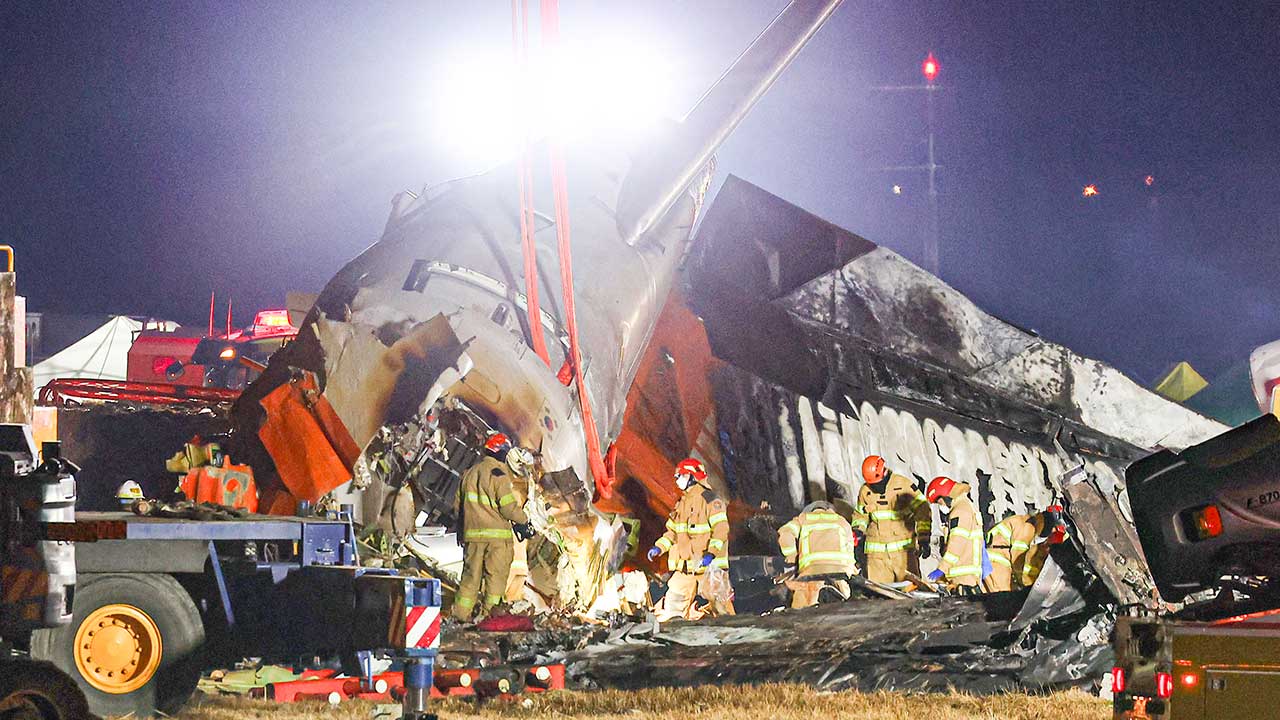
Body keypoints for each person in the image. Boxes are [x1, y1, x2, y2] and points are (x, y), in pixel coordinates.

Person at [451, 432, 535, 621]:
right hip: (496, 541)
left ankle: (459, 617)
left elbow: (458, 507)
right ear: (502, 452)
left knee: (469, 580)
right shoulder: (499, 473)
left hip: (472, 538)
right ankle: (490, 619)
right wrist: (525, 520)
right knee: (495, 582)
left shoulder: (469, 473)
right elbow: (508, 508)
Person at [647, 458, 735, 621]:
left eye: (680, 475)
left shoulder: (711, 500)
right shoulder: (682, 504)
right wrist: (659, 547)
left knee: (722, 609)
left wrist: (711, 554)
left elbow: (721, 530)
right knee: (673, 608)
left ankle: (735, 637)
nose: (677, 479)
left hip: (709, 567)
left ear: (692, 476)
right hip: (687, 567)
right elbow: (672, 533)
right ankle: (674, 641)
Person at [850, 455, 931, 585]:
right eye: (872, 484)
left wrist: (924, 538)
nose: (875, 487)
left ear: (884, 472)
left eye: (877, 484)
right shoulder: (865, 491)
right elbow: (860, 515)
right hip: (876, 559)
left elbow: (923, 511)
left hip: (903, 555)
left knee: (911, 592)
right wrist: (858, 533)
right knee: (878, 595)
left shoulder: (904, 485)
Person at [777, 501, 859, 608]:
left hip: (811, 575)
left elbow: (785, 534)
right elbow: (849, 549)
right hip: (840, 575)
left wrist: (792, 557)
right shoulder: (841, 521)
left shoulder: (803, 519)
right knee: (845, 613)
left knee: (801, 615)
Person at [924, 476, 988, 594]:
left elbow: (956, 544)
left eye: (939, 502)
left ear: (945, 495)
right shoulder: (966, 506)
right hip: (968, 576)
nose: (941, 506)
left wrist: (941, 569)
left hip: (962, 578)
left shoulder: (959, 511)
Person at [984, 505, 1066, 592]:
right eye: (1052, 527)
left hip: (992, 557)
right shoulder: (1028, 528)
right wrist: (1022, 582)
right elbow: (1017, 559)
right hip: (997, 560)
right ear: (1044, 521)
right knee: (1002, 596)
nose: (1051, 531)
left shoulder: (1023, 521)